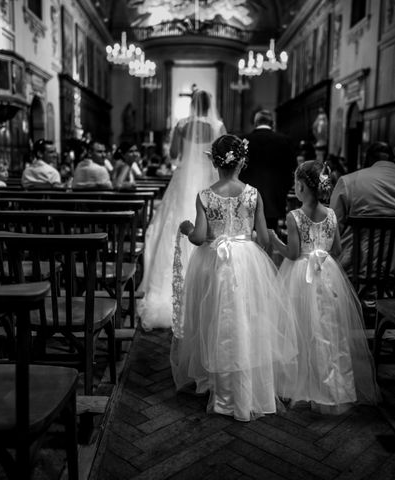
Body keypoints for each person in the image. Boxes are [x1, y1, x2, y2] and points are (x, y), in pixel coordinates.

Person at [172, 135, 298, 421]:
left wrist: (188, 228)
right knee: (247, 319)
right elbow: (264, 239)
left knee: (216, 320)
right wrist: (250, 236)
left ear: (214, 161)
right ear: (242, 161)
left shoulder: (205, 195)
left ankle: (222, 387)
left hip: (214, 263)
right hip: (247, 262)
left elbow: (201, 237)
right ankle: (247, 385)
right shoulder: (253, 194)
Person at [268, 161, 380, 413]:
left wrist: (275, 240)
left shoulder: (294, 216)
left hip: (300, 275)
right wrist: (324, 259)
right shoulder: (330, 214)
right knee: (329, 329)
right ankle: (333, 387)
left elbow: (294, 253)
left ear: (301, 187)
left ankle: (299, 384)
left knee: (299, 327)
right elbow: (338, 249)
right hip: (326, 272)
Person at [138, 89, 226, 330]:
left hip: (184, 178)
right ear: (210, 106)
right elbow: (223, 158)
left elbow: (174, 155)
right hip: (208, 181)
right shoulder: (218, 126)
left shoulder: (181, 125)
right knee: (210, 227)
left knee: (174, 223)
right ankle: (209, 288)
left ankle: (171, 288)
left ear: (192, 105)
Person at [330, 141, 395, 275]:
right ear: (393, 160)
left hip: (355, 265)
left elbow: (333, 229)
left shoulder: (348, 182)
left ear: (367, 159)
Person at [241, 110, 295, 234]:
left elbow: (239, 169)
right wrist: (283, 191)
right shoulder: (285, 141)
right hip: (274, 199)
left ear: (255, 123)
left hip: (248, 198)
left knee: (249, 238)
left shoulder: (244, 140)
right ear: (273, 123)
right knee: (270, 237)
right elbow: (291, 170)